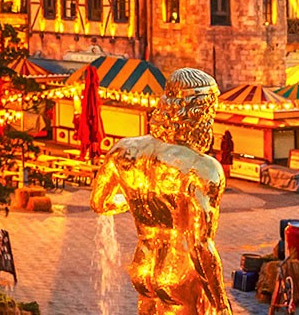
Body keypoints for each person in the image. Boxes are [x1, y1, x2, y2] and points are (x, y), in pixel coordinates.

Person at [90, 67, 234, 315]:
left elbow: (100, 203)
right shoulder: (202, 168)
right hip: (178, 270)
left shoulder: (124, 150)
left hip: (142, 264)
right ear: (199, 113)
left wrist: (135, 197)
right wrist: (221, 304)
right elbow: (201, 245)